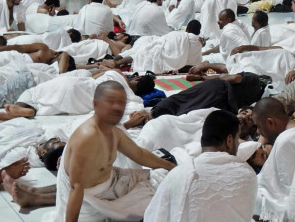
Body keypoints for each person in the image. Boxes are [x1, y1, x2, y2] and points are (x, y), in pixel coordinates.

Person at [55, 80, 176, 222]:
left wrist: (173, 168)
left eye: (121, 102)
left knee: (165, 179)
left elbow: (139, 154)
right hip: (92, 201)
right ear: (96, 104)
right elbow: (76, 188)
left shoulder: (112, 130)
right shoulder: (87, 137)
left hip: (114, 180)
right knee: (162, 200)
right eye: (111, 101)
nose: (117, 107)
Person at [144, 109, 258, 221]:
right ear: (229, 141)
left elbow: (154, 215)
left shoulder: (177, 174)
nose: (237, 144)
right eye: (237, 140)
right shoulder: (246, 174)